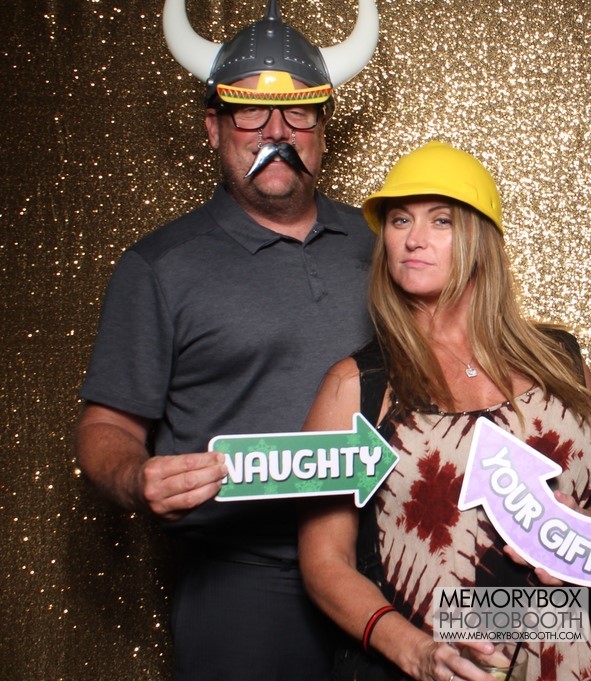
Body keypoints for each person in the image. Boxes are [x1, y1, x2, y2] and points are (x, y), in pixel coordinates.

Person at [74, 1, 379, 678]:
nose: (277, 133)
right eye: (250, 113)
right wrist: (137, 478)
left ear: (323, 130)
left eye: (299, 114)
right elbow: (106, 427)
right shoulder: (159, 266)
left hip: (386, 567)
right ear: (213, 128)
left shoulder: (386, 245)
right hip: (245, 583)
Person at [298, 141, 591, 681]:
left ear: (482, 238)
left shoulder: (560, 359)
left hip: (564, 651)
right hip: (427, 659)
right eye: (400, 220)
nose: (413, 238)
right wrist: (414, 651)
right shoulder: (356, 386)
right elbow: (323, 562)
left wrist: (586, 527)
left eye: (441, 221)